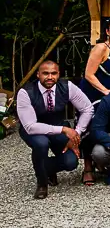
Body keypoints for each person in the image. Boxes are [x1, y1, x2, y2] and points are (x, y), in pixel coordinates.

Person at [17, 60, 93, 199]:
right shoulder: (25, 92)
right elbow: (30, 126)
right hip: (35, 131)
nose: (50, 77)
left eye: (53, 73)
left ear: (58, 74)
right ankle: (42, 183)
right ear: (38, 74)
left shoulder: (67, 87)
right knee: (41, 144)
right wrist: (64, 129)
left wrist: (76, 133)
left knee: (71, 162)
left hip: (58, 127)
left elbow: (87, 108)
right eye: (45, 73)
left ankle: (44, 168)